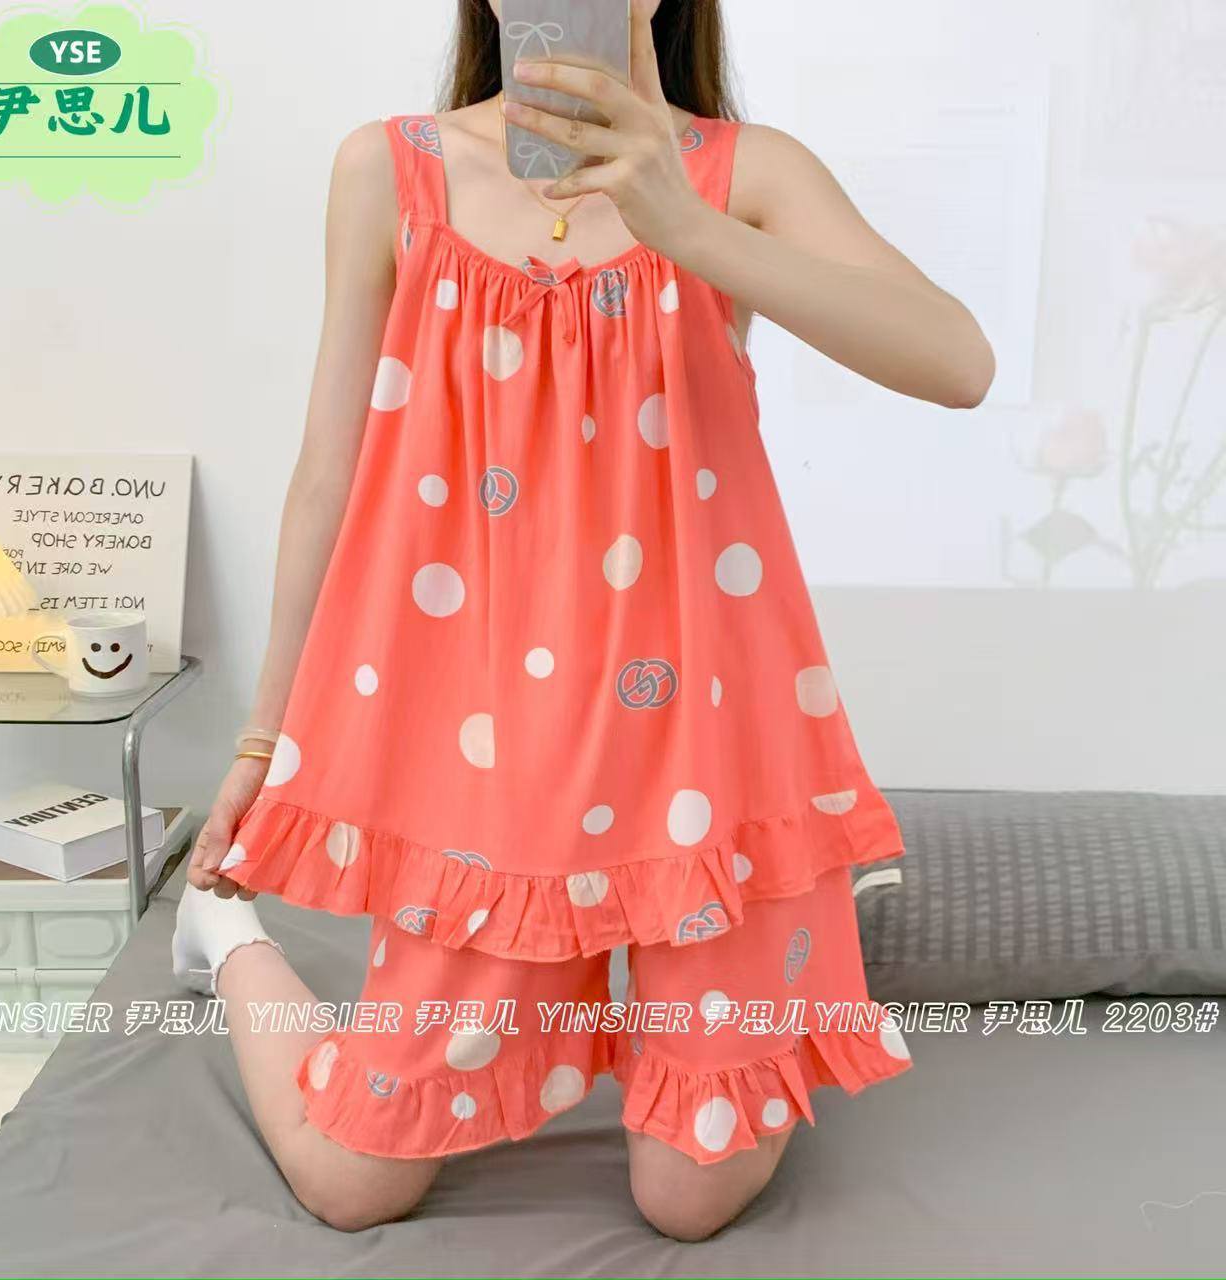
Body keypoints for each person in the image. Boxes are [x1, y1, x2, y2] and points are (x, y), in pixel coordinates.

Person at [172, 0, 994, 1241]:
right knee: (353, 1181)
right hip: (488, 755)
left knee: (688, 1196)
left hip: (703, 745)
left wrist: (683, 225)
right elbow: (327, 477)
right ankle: (221, 938)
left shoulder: (742, 175)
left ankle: (706, 1008)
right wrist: (259, 743)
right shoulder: (387, 170)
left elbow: (957, 363)